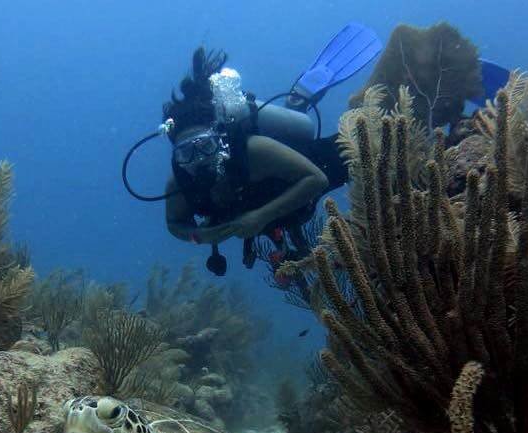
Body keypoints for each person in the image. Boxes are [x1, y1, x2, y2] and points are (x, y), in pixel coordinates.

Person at [122, 23, 383, 277]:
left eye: (205, 146)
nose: (198, 159)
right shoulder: (181, 181)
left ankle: (298, 100)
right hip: (273, 211)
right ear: (176, 155)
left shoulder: (253, 152)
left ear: (220, 140)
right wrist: (197, 236)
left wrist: (260, 217)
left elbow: (316, 179)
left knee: (368, 146)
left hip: (299, 168)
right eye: (186, 153)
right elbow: (174, 224)